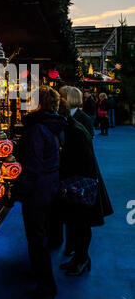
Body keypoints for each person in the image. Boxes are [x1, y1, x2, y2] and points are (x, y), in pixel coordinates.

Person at [16, 86, 67, 299]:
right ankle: (40, 271)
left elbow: (33, 165)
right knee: (42, 231)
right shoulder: (55, 124)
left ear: (39, 103)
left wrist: (18, 191)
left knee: (36, 236)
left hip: (38, 188)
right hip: (50, 184)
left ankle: (46, 286)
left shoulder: (37, 129)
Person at [58, 99, 113, 276]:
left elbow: (85, 160)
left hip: (80, 185)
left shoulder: (75, 129)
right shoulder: (73, 126)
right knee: (77, 224)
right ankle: (79, 258)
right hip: (79, 183)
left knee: (81, 224)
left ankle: (82, 259)